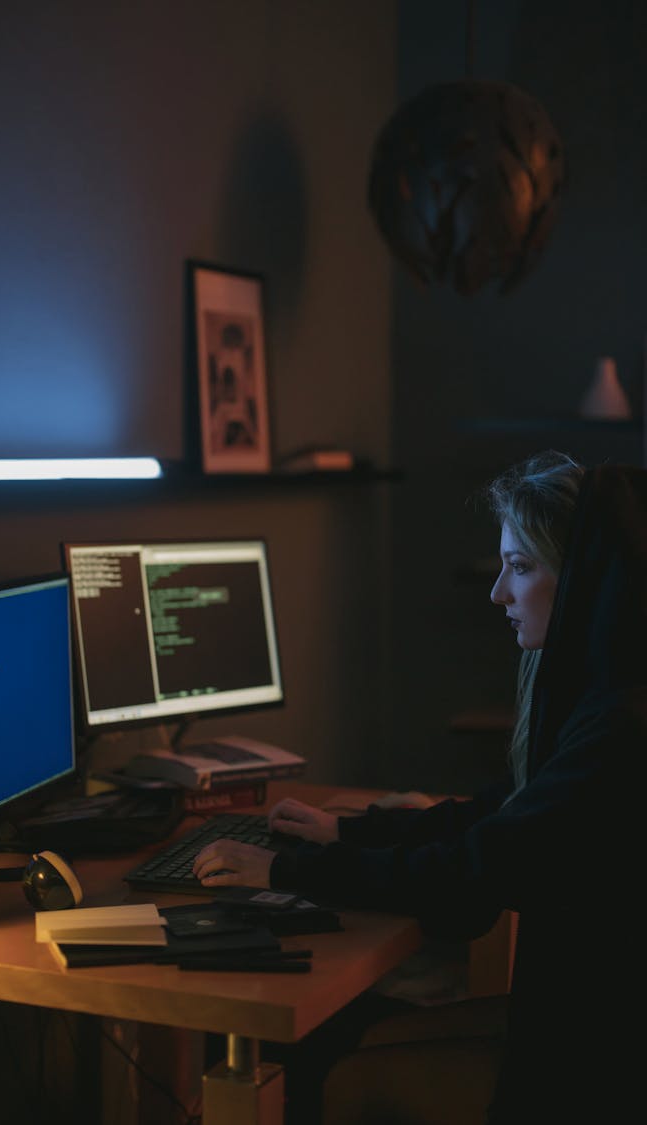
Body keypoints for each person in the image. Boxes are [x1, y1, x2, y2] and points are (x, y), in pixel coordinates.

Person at [194, 450, 644, 1123]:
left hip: (602, 1066)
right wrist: (348, 830)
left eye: (520, 566)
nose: (498, 592)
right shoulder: (603, 692)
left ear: (583, 580)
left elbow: (472, 871)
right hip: (590, 1021)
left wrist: (286, 867)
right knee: (367, 1039)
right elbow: (503, 813)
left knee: (348, 1078)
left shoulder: (620, 728)